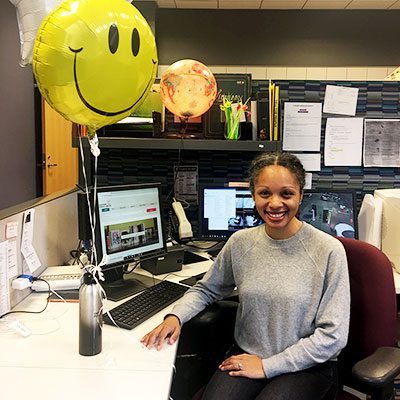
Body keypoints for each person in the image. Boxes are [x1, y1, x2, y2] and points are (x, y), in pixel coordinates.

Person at [141, 152, 350, 400]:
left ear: (301, 196)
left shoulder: (328, 250)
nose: (274, 203)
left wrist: (266, 367)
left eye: (286, 193)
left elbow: (333, 337)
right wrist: (176, 316)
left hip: (307, 365)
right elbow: (207, 289)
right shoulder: (241, 243)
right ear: (253, 195)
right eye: (265, 193)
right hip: (248, 354)